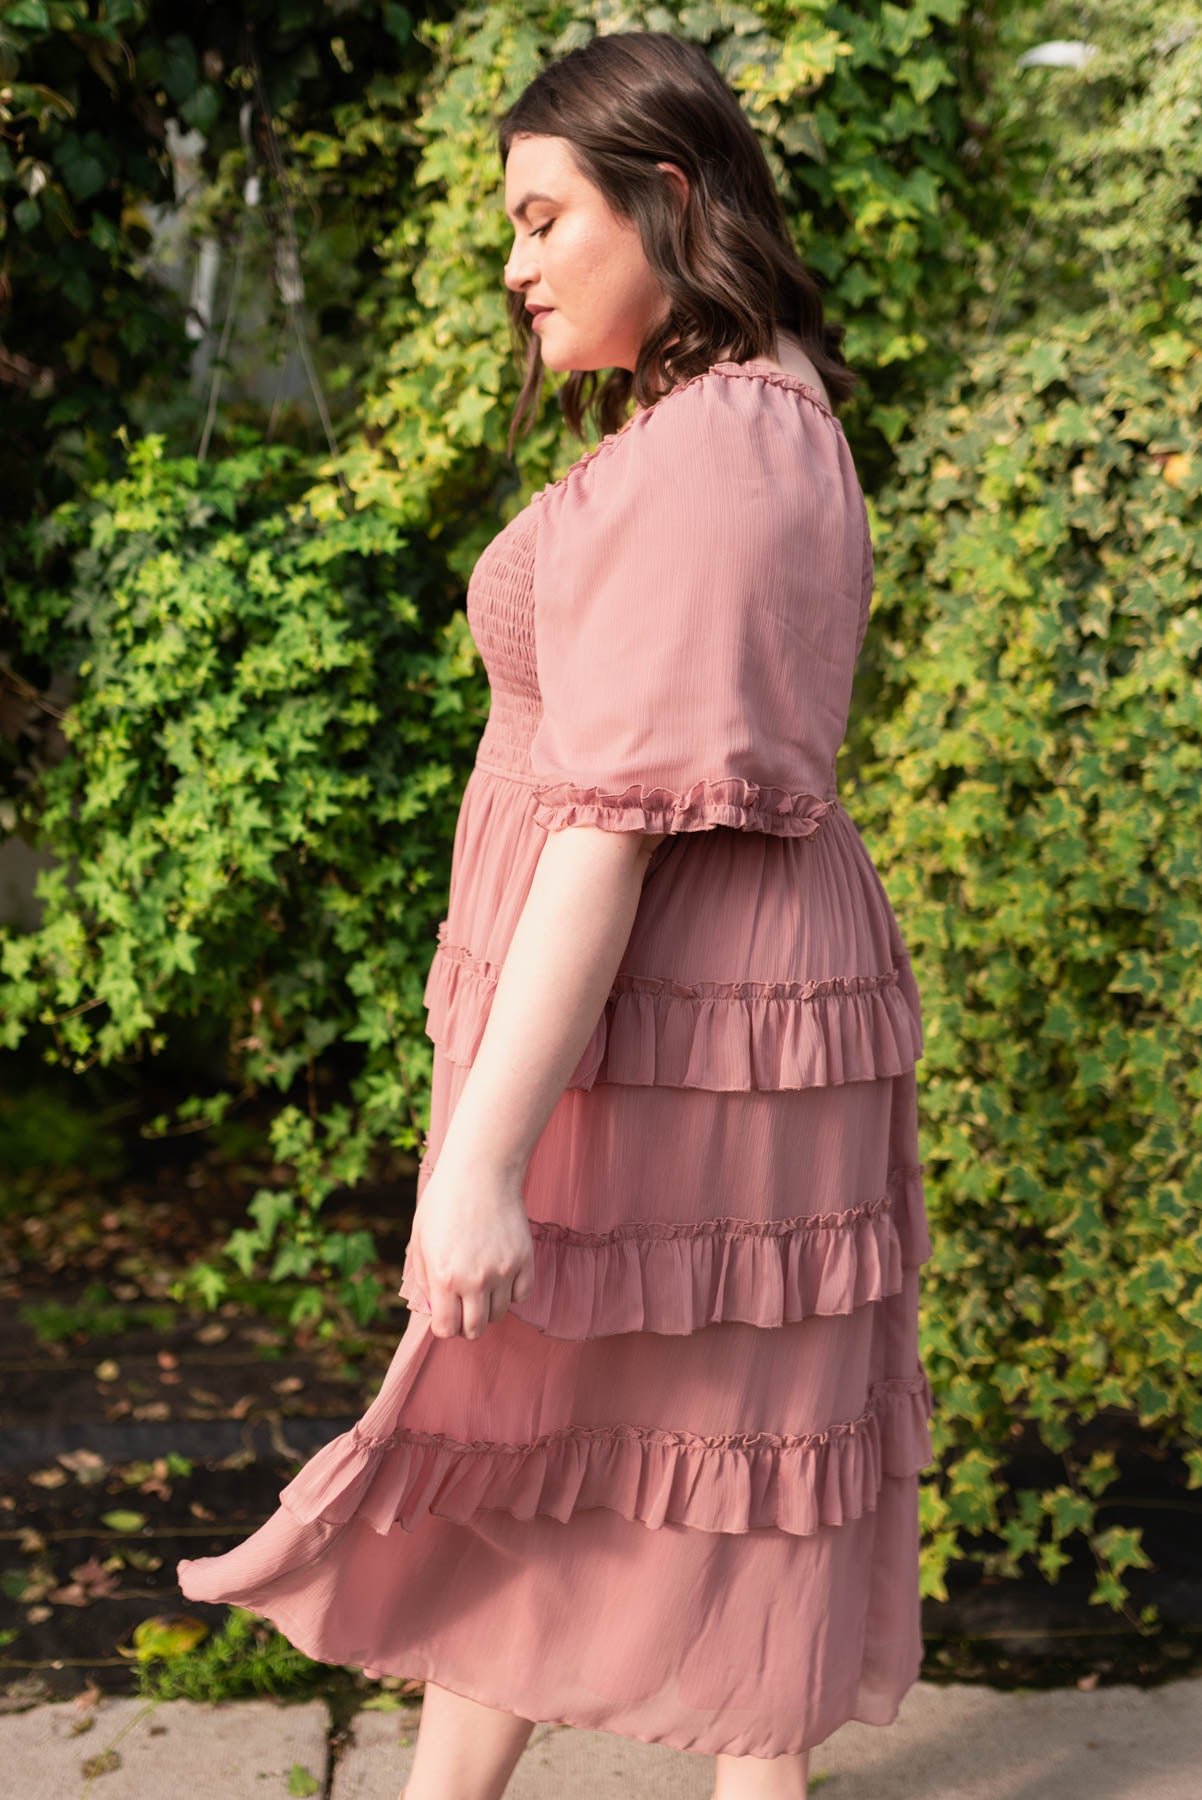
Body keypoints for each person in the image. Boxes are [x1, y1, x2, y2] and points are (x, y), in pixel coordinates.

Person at [177, 31, 935, 1800]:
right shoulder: (742, 422)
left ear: (665, 201)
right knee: (601, 1433)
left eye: (541, 218)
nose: (513, 265)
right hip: (693, 1017)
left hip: (671, 1024)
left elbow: (604, 841)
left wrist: (478, 1164)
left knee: (628, 1431)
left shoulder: (714, 457)